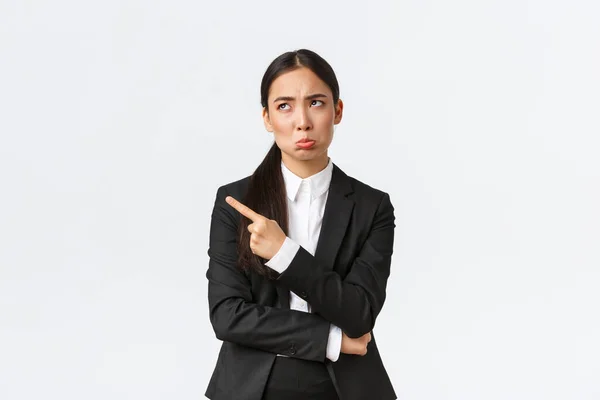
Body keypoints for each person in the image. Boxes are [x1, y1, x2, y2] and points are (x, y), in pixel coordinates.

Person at [205, 49, 397, 400]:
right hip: (251, 386)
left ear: (337, 111)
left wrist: (285, 254)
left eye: (317, 103)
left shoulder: (373, 207)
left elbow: (359, 313)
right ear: (266, 117)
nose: (302, 121)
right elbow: (227, 316)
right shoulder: (235, 203)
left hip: (346, 388)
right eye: (284, 106)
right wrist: (331, 339)